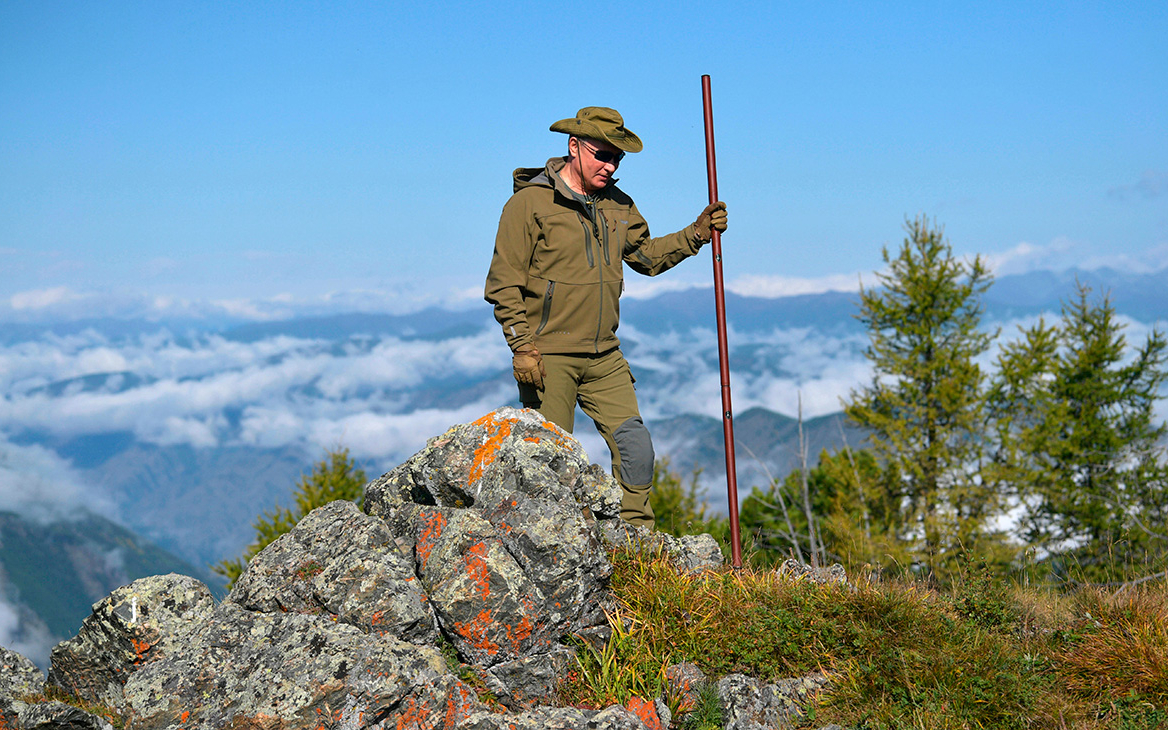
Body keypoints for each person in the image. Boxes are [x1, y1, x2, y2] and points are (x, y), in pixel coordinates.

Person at [484, 106, 727, 528]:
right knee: (550, 464)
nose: (610, 165)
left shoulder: (618, 204)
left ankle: (637, 541)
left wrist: (697, 233)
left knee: (636, 447)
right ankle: (551, 546)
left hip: (604, 355)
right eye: (602, 154)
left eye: (617, 158)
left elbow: (647, 258)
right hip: (548, 356)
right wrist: (522, 347)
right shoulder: (529, 204)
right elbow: (503, 283)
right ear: (574, 147)